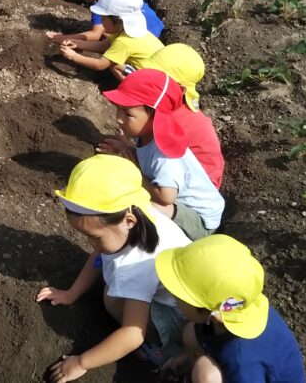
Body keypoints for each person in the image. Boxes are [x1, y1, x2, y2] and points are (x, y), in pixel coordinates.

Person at [36, 154, 192, 381]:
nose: (91, 244)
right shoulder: (140, 215)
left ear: (129, 221)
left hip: (183, 320)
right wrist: (72, 293)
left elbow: (132, 333)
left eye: (95, 237)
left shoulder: (136, 265)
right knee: (111, 281)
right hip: (187, 305)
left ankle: (164, 350)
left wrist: (81, 362)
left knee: (112, 298)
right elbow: (100, 256)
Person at [155, 235, 306, 382]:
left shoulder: (242, 359)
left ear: (214, 315)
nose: (173, 295)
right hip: (229, 356)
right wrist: (189, 358)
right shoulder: (237, 309)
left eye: (180, 296)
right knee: (190, 333)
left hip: (247, 373)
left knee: (205, 375)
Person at [100, 69, 225, 241]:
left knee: (141, 206)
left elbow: (166, 198)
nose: (119, 118)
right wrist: (128, 150)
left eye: (128, 114)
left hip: (200, 221)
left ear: (155, 117)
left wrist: (134, 171)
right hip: (181, 206)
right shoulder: (147, 135)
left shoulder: (165, 153)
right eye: (119, 110)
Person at [141, 44, 225, 188]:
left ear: (180, 90)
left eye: (157, 78)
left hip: (187, 194)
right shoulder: (165, 107)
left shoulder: (177, 120)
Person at [59, 0, 164, 82]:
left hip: (154, 82)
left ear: (119, 20)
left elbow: (100, 65)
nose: (101, 22)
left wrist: (74, 56)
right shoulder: (129, 32)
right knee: (114, 58)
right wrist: (77, 43)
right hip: (160, 77)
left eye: (104, 19)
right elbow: (102, 46)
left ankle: (131, 92)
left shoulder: (124, 42)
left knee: (114, 65)